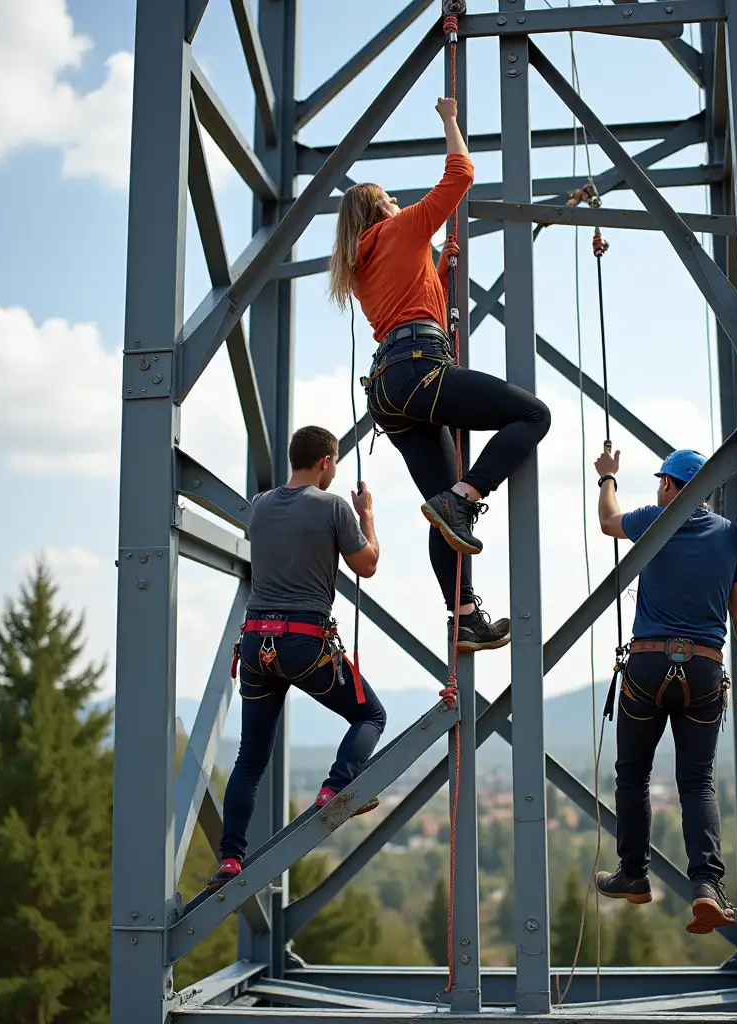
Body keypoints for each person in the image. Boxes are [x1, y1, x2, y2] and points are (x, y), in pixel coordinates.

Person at [327, 96, 551, 654]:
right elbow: (461, 174)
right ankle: (469, 494)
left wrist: (441, 267)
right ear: (381, 208)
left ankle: (463, 615)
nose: (400, 202)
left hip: (389, 388)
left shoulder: (360, 264)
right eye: (391, 200)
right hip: (419, 370)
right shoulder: (402, 228)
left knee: (441, 506)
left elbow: (414, 301)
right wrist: (450, 119)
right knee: (532, 414)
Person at [206, 426, 387, 892]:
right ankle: (335, 788)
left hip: (255, 645)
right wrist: (367, 517)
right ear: (326, 461)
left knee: (250, 756)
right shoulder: (333, 507)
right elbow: (366, 565)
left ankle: (230, 859)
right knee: (370, 713)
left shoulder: (260, 506)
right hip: (303, 644)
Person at [590, 446, 737, 934]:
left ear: (669, 486)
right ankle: (708, 886)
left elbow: (608, 522)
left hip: (648, 666)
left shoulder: (656, 519)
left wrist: (606, 478)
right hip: (706, 670)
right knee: (697, 782)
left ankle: (633, 875)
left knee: (633, 774)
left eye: (661, 481)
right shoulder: (729, 535)